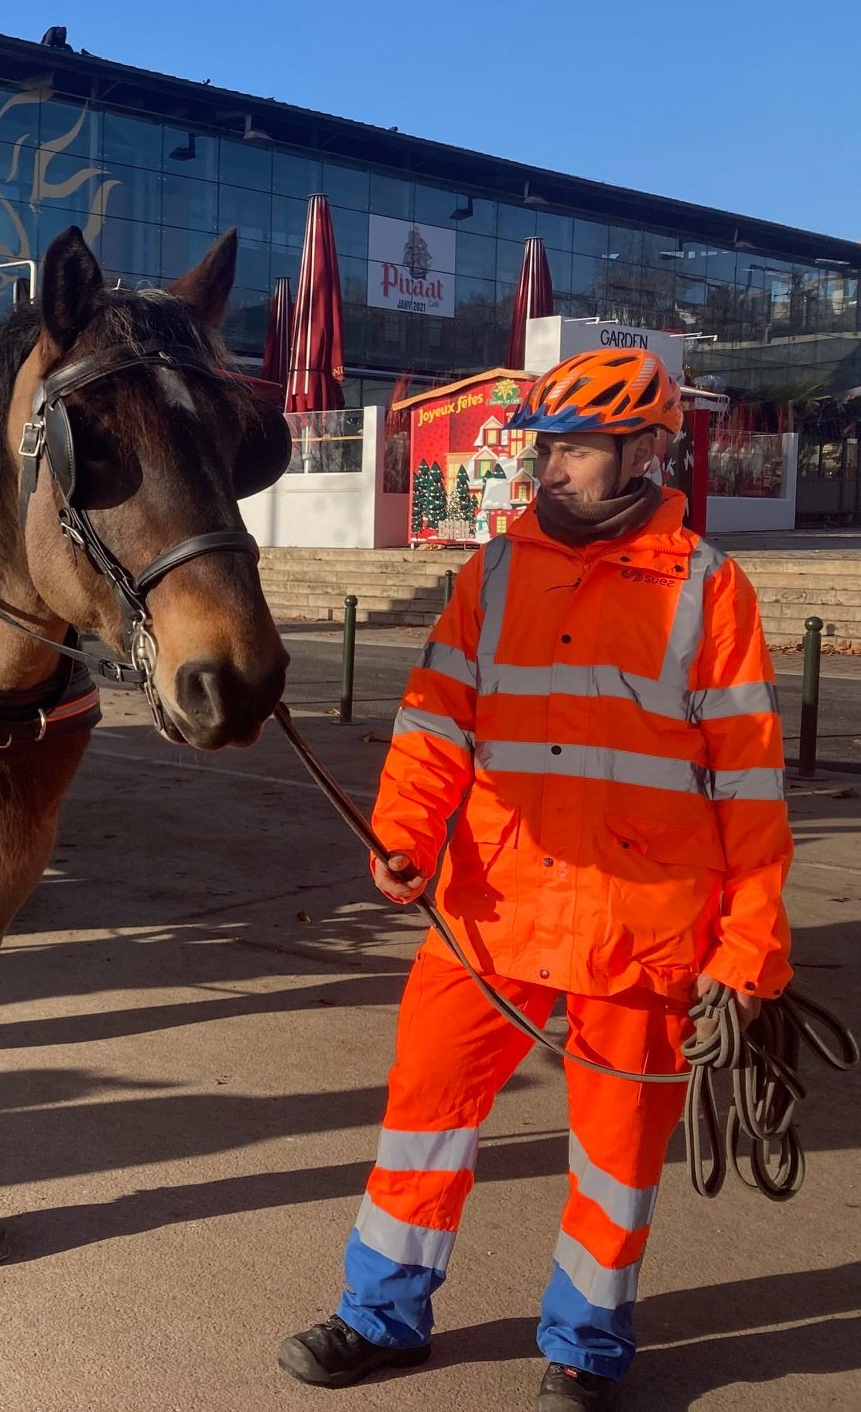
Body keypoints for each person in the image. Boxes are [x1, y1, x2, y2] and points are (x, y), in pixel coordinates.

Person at [278, 349, 792, 1411]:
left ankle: (586, 1349)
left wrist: (748, 953)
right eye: (546, 449)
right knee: (423, 1115)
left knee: (614, 1159)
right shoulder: (495, 571)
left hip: (640, 934)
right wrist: (402, 837)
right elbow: (432, 726)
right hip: (487, 910)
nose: (550, 470)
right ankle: (384, 1317)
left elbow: (749, 788)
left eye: (577, 452)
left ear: (645, 451)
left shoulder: (708, 588)